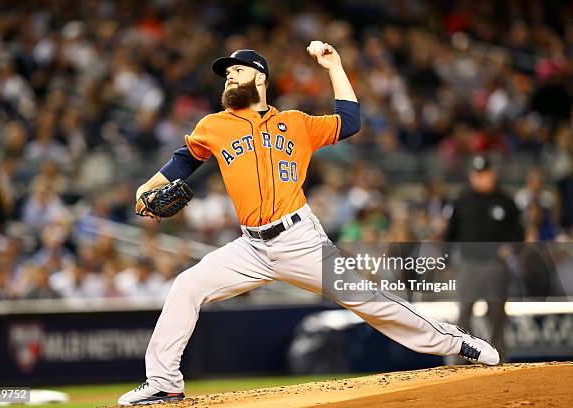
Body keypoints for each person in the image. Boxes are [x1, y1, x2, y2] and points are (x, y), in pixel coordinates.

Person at [118, 42, 499, 406]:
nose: (229, 78)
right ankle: (163, 384)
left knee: (370, 301)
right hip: (250, 247)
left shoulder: (295, 123)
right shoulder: (214, 126)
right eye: (226, 74)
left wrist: (334, 67)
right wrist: (148, 187)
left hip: (300, 239)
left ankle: (457, 342)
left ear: (260, 78)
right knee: (186, 285)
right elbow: (183, 161)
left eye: (237, 71)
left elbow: (349, 121)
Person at [444, 155, 524, 360]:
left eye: (484, 174)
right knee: (464, 313)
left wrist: (511, 249)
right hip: (469, 264)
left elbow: (519, 233)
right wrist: (447, 261)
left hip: (495, 265)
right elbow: (449, 234)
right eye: (476, 175)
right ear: (471, 176)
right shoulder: (462, 201)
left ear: (492, 174)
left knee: (496, 314)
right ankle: (459, 358)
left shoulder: (505, 201)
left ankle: (498, 357)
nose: (480, 179)